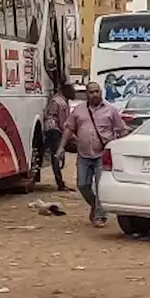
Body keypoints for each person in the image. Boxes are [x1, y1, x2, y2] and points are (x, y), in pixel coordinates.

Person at [58, 81, 129, 227]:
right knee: (82, 184)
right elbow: (68, 129)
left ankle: (100, 216)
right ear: (87, 94)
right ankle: (96, 206)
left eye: (97, 91)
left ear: (101, 92)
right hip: (84, 155)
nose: (95, 94)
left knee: (99, 186)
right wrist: (61, 148)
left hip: (102, 155)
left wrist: (123, 148)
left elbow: (122, 130)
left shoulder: (111, 110)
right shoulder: (78, 110)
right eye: (91, 92)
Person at [43, 82, 74, 191]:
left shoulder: (58, 99)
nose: (74, 92)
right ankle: (60, 183)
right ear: (65, 91)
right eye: (72, 90)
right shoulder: (61, 103)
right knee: (56, 156)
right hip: (54, 130)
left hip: (50, 129)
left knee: (53, 155)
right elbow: (62, 123)